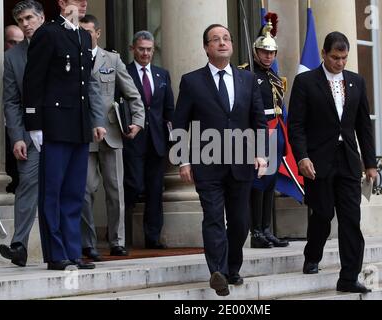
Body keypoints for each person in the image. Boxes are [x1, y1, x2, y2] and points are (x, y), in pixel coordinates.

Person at [173, 24, 268, 296]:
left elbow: (259, 121)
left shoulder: (248, 80)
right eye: (215, 40)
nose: (222, 43)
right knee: (213, 218)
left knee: (240, 222)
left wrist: (261, 154)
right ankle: (217, 271)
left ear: (233, 45)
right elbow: (180, 123)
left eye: (226, 38)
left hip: (241, 161)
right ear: (206, 47)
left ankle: (232, 266)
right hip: (207, 162)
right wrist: (182, 160)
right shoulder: (191, 81)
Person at [288, 32, 377, 293]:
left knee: (351, 219)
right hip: (318, 161)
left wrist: (370, 163)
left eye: (344, 58)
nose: (340, 63)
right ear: (324, 55)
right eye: (335, 57)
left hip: (348, 160)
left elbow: (364, 126)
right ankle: (312, 254)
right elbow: (296, 126)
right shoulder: (305, 82)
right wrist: (302, 157)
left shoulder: (356, 82)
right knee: (324, 214)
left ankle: (349, 277)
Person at [23, 0, 106, 271]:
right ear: (61, 3)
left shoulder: (83, 35)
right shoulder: (47, 33)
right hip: (54, 123)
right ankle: (56, 253)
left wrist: (93, 120)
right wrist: (34, 123)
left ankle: (73, 251)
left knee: (74, 193)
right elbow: (33, 80)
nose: (83, 3)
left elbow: (86, 84)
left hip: (78, 124)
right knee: (53, 192)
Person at [79, 15, 145, 261]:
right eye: (81, 31)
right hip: (84, 134)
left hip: (113, 132)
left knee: (115, 190)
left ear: (98, 33)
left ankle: (118, 241)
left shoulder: (113, 59)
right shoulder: (72, 57)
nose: (85, 36)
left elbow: (133, 94)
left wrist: (138, 121)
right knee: (86, 190)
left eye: (89, 32)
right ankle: (88, 243)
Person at [0, 0, 45, 267]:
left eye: (29, 18)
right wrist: (16, 136)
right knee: (27, 186)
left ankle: (81, 246)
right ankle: (19, 246)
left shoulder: (59, 44)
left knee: (75, 190)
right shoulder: (13, 57)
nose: (26, 24)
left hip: (62, 133)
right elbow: (11, 101)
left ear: (41, 18)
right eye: (20, 21)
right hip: (28, 137)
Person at [240, 14, 289, 249]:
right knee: (259, 182)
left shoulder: (275, 77)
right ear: (255, 51)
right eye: (264, 52)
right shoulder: (246, 73)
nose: (268, 56)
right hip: (258, 131)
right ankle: (256, 231)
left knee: (271, 182)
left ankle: (267, 229)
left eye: (271, 53)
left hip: (275, 130)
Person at [124, 31, 174, 249]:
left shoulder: (162, 74)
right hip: (131, 140)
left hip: (157, 141)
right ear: (133, 49)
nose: (145, 53)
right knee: (132, 185)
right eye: (141, 49)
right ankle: (121, 235)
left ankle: (152, 238)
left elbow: (169, 110)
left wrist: (174, 141)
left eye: (149, 49)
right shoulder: (123, 72)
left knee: (155, 190)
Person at [4, 25, 25, 194]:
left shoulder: (26, 63)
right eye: (12, 42)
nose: (16, 46)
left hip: (20, 128)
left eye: (20, 42)